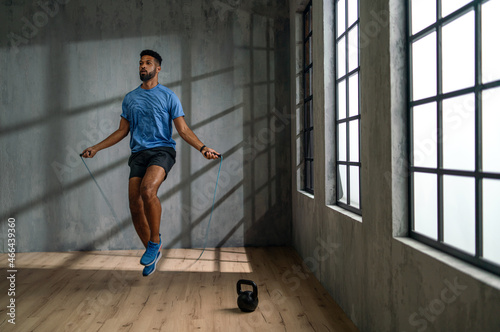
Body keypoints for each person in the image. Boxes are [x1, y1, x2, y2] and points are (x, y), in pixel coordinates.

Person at [81, 49, 220, 277]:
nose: (142, 66)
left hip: (162, 151)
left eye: (147, 63)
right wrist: (96, 147)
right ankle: (152, 253)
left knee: (148, 190)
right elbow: (121, 131)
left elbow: (182, 130)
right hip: (138, 154)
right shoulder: (130, 98)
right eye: (140, 63)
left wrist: (203, 148)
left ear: (158, 68)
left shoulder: (168, 96)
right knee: (135, 206)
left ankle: (155, 242)